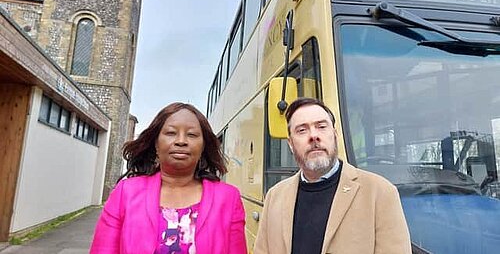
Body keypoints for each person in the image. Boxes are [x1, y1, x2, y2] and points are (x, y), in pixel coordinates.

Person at [254, 97, 411, 254]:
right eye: (302, 130)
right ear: (290, 144)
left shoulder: (380, 192)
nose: (313, 136)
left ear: (335, 135)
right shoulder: (274, 197)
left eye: (321, 126)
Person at [90, 102, 247, 254]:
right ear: (156, 144)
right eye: (171, 133)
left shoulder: (228, 198)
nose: (181, 141)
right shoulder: (125, 192)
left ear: (203, 146)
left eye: (191, 135)